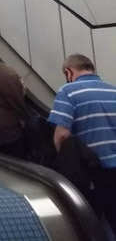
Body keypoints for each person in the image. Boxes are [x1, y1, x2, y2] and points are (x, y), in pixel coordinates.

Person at [49, 54, 116, 234]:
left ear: (68, 72)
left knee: (92, 222)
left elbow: (62, 135)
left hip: (93, 171)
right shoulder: (112, 91)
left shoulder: (67, 92)